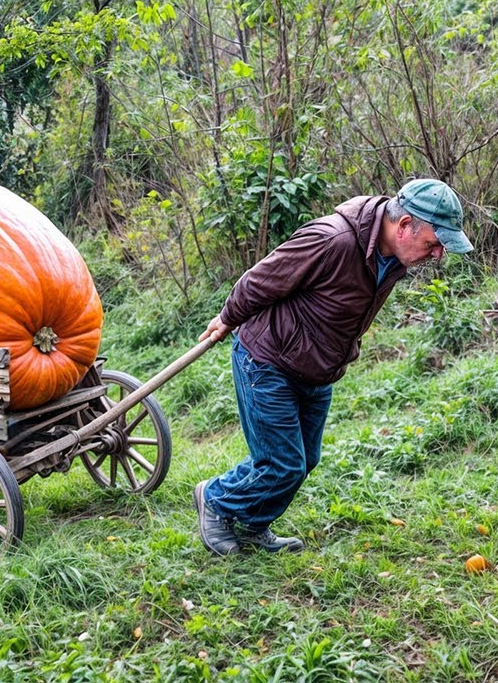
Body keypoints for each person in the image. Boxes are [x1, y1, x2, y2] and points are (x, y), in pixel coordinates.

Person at [193, 179, 475, 555]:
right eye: (434, 244)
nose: (438, 254)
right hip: (268, 358)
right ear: (405, 225)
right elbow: (263, 278)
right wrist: (228, 316)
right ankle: (216, 500)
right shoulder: (332, 239)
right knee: (283, 463)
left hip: (317, 368)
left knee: (305, 460)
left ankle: (253, 524)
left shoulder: (392, 258)